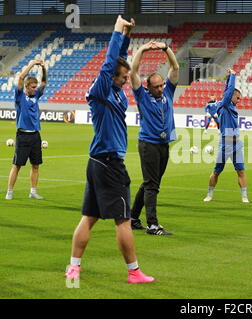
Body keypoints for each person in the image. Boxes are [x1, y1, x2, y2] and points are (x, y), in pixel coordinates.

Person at [65, 16, 155, 284]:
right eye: (124, 78)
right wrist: (117, 31)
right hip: (110, 164)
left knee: (89, 218)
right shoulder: (104, 87)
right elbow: (109, 64)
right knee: (123, 220)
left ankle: (74, 268)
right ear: (113, 78)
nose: (127, 81)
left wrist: (127, 35)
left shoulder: (112, 88)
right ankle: (134, 272)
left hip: (97, 163)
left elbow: (118, 62)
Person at [128, 39, 179, 235]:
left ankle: (132, 218)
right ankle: (152, 224)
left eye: (161, 85)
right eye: (156, 86)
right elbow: (133, 72)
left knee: (150, 183)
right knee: (152, 185)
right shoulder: (142, 95)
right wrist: (142, 49)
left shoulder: (168, 92)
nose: (160, 88)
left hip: (164, 143)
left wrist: (165, 48)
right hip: (148, 144)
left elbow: (174, 66)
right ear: (148, 87)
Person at [203, 69, 249, 203]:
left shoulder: (230, 105)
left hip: (237, 144)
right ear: (232, 96)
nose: (239, 100)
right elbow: (228, 92)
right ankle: (209, 194)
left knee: (241, 171)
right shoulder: (226, 104)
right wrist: (233, 75)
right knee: (216, 171)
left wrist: (229, 77)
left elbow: (227, 91)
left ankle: (244, 196)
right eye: (238, 97)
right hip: (225, 143)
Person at [5, 59, 47, 200]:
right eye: (33, 87)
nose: (36, 89)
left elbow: (44, 82)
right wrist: (32, 64)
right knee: (17, 165)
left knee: (35, 165)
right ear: (26, 87)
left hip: (35, 135)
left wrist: (43, 68)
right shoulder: (19, 97)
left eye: (36, 87)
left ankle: (33, 191)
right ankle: (9, 192)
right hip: (22, 136)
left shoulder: (36, 97)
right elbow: (21, 77)